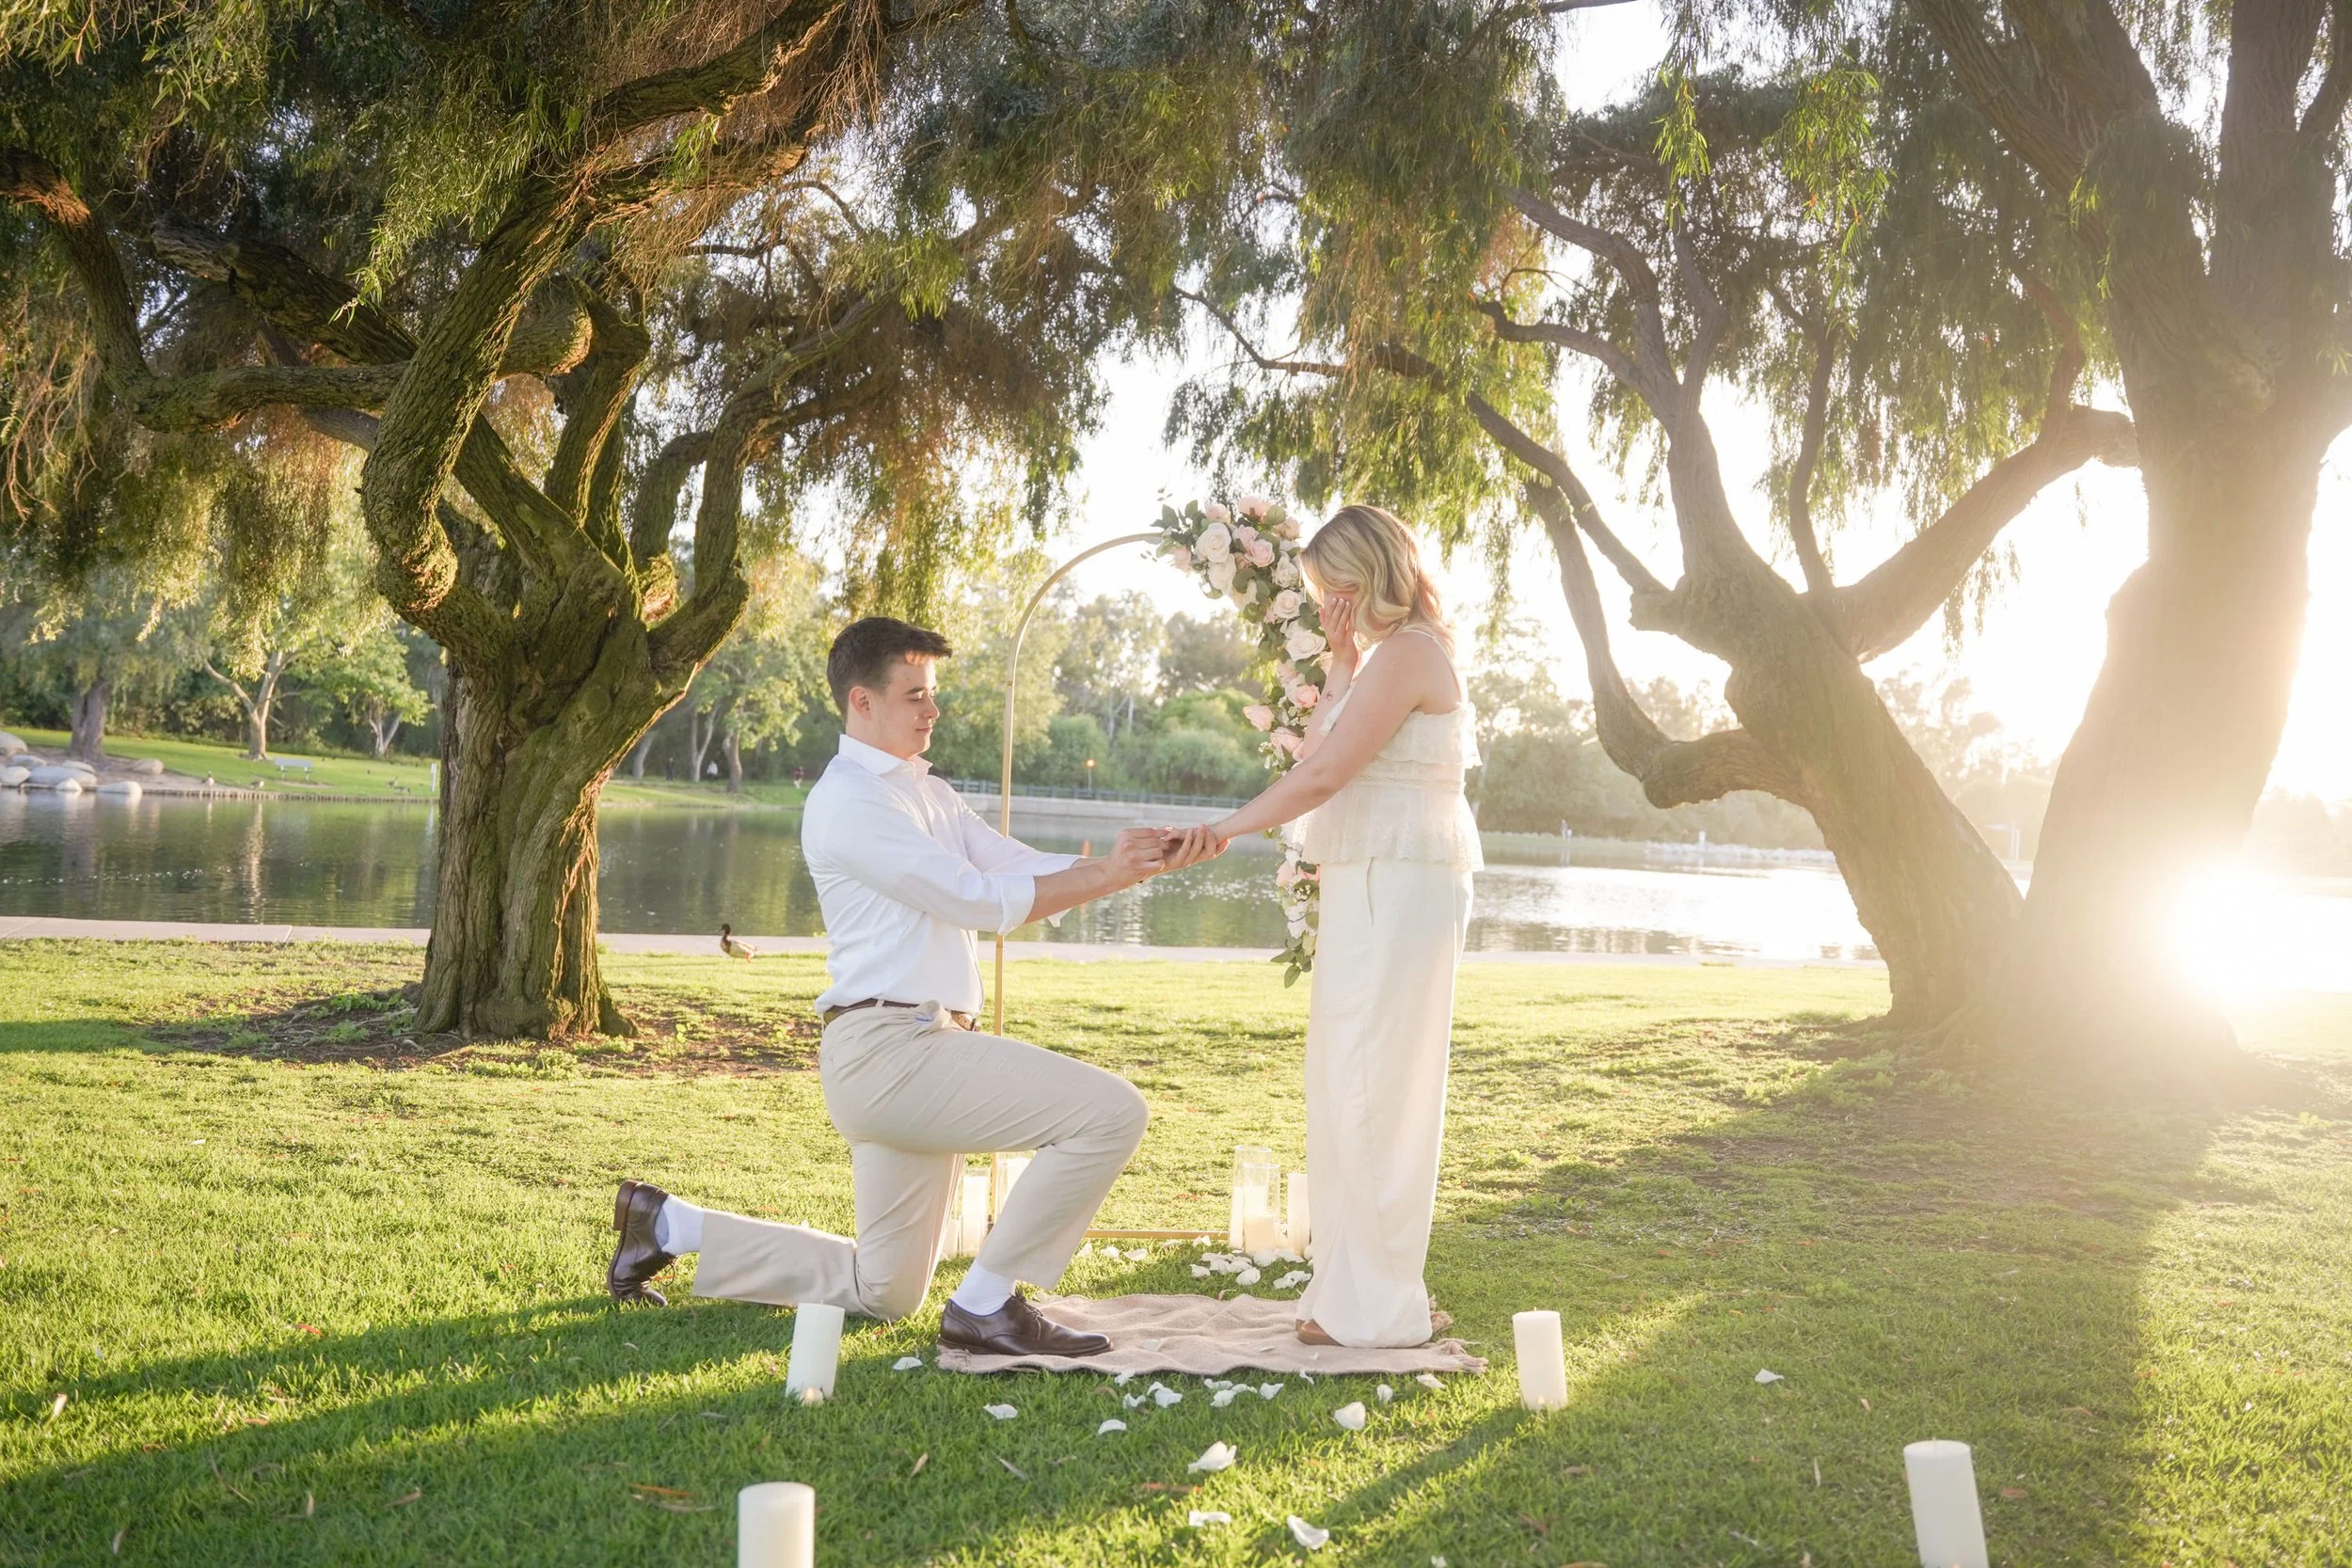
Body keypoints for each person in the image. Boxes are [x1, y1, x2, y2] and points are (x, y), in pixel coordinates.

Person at [607, 616, 1221, 1356]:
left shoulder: (925, 791)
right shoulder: (851, 803)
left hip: (914, 1051)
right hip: (892, 1052)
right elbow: (976, 901)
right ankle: (987, 1306)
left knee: (885, 1289)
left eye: (933, 694)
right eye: (915, 695)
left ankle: (669, 1225)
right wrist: (1108, 874)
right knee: (1110, 1112)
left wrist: (1137, 859)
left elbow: (1009, 864)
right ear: (861, 701)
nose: (932, 710)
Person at [1205, 504, 1480, 1347]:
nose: (1333, 602)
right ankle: (1355, 1292)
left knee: (1377, 1087)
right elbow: (1320, 741)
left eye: (1340, 589)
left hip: (1399, 886)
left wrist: (1224, 830)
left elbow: (1325, 776)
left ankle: (1383, 1302)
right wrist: (1341, 659)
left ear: (1374, 576)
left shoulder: (1415, 654)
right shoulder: (1380, 659)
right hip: (1372, 879)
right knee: (1344, 1081)